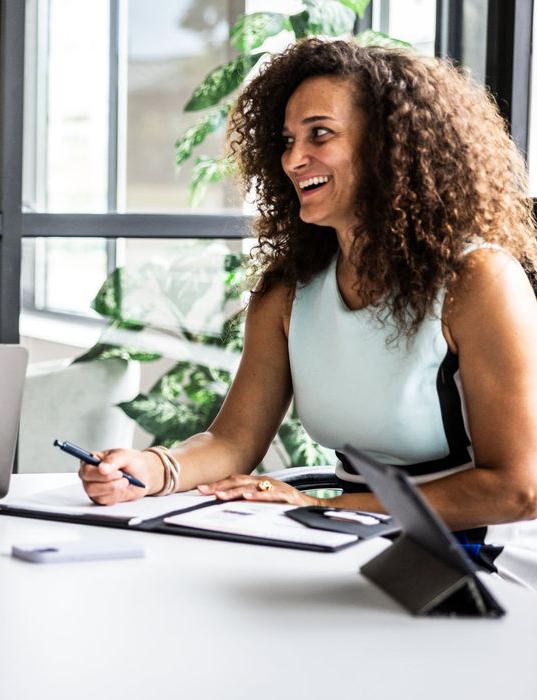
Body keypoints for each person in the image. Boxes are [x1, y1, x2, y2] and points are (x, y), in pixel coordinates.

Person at [79, 39, 537, 587]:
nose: (294, 159)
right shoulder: (289, 292)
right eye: (288, 140)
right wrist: (153, 468)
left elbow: (519, 488)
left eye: (320, 134)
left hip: (484, 558)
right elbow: (233, 442)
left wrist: (330, 508)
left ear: (389, 145)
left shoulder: (478, 281)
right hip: (351, 540)